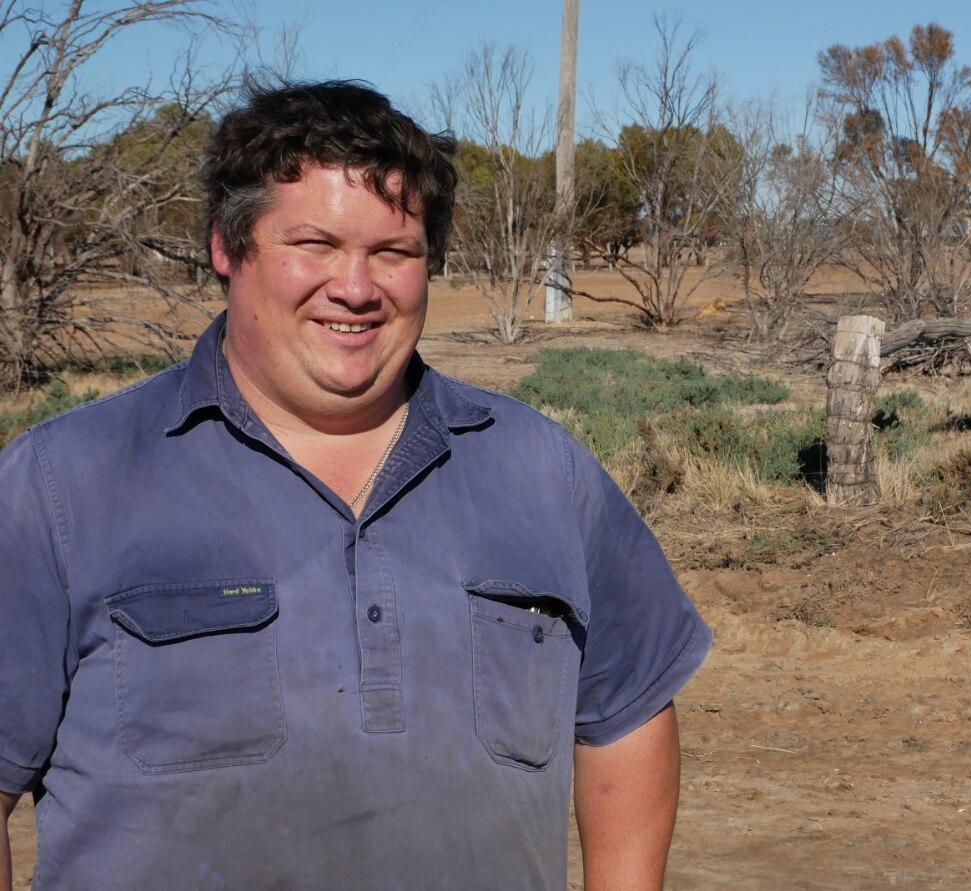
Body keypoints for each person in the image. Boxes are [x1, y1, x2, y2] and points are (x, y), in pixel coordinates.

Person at [0, 80, 711, 889]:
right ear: (227, 247)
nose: (357, 287)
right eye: (315, 244)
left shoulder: (544, 472)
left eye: (393, 253)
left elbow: (628, 709)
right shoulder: (62, 484)